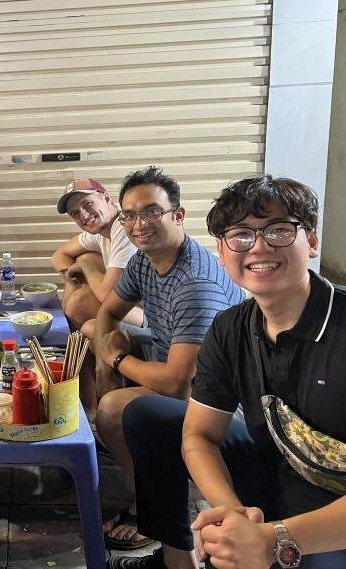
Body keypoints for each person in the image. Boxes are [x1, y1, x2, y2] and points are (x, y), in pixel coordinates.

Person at [112, 176, 346, 569]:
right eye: (240, 235)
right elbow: (200, 435)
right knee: (148, 415)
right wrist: (233, 516)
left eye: (278, 230)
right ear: (222, 251)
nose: (259, 247)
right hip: (281, 472)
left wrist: (275, 540)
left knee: (298, 560)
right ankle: (177, 561)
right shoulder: (230, 328)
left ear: (311, 241)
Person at [93, 166, 244, 550]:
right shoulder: (145, 259)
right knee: (90, 333)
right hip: (172, 358)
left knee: (111, 410)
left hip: (220, 399)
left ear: (178, 215)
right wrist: (103, 361)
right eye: (129, 215)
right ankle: (140, 474)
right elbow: (108, 311)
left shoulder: (195, 284)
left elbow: (179, 383)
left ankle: (154, 506)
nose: (138, 224)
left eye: (151, 212)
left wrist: (116, 361)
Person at [51, 178, 143, 412]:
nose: (83, 215)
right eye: (75, 213)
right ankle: (89, 406)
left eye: (87, 204)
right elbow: (59, 254)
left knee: (84, 313)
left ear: (107, 198)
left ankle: (103, 405)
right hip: (128, 309)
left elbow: (107, 296)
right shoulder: (101, 232)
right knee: (82, 266)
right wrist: (72, 273)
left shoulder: (123, 228)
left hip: (149, 316)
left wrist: (86, 268)